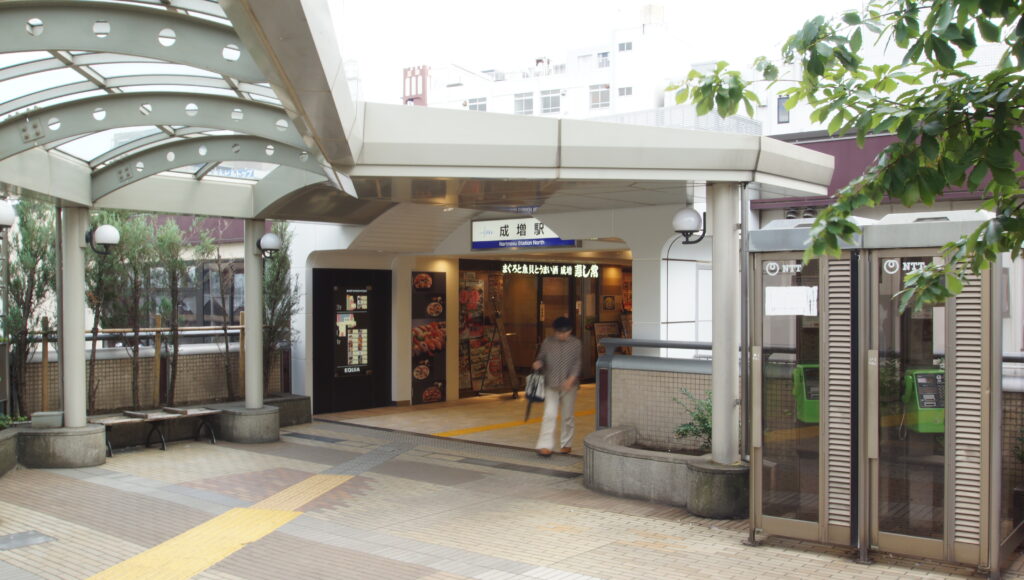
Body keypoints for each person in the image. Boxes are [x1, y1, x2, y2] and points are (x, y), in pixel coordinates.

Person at [532, 316, 581, 457]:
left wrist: (571, 379)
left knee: (567, 416)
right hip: (550, 384)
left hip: (569, 386)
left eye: (565, 332)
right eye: (559, 332)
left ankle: (566, 444)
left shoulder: (576, 343)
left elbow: (577, 363)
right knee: (549, 414)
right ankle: (545, 446)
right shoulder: (548, 342)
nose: (562, 335)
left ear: (570, 331)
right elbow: (541, 357)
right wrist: (538, 363)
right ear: (555, 331)